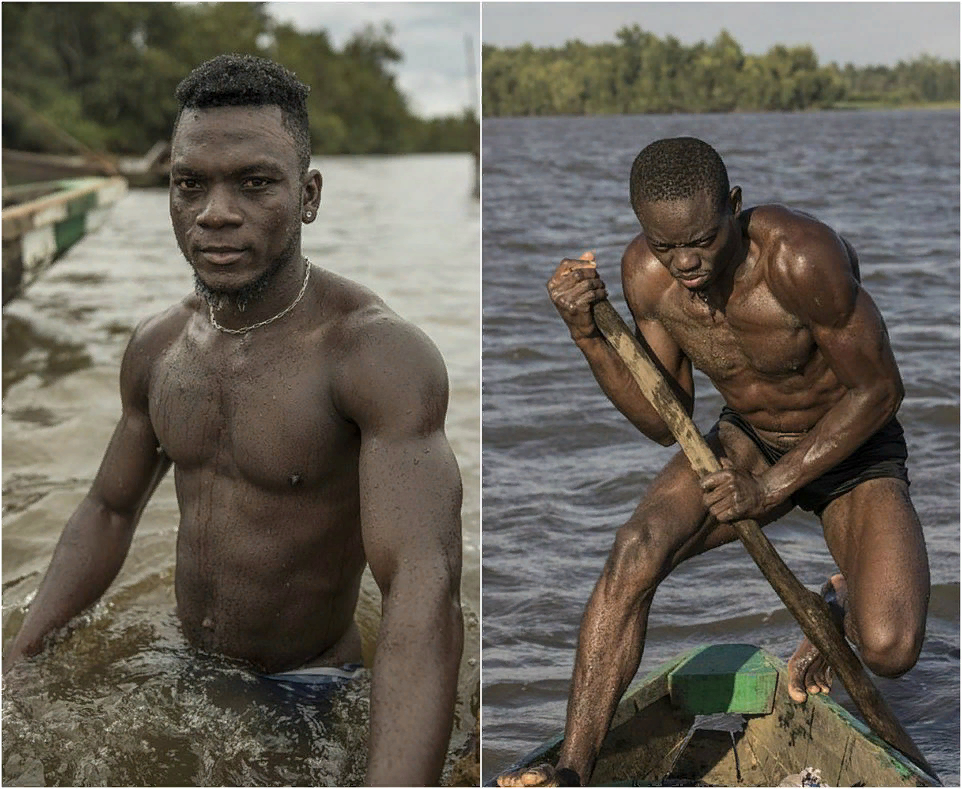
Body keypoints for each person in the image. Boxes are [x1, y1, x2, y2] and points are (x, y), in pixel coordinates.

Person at [3, 54, 464, 787]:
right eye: (190, 184)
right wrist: (20, 659)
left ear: (308, 195)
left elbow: (421, 583)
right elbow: (109, 509)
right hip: (183, 659)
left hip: (311, 687)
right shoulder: (159, 345)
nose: (216, 212)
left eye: (255, 183)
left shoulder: (373, 356)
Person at [498, 136, 929, 787]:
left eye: (701, 240)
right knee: (635, 549)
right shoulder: (646, 274)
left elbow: (879, 390)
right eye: (668, 246)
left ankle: (836, 600)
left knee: (891, 648)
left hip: (852, 446)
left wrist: (773, 486)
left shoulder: (800, 257)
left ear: (732, 205)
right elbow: (659, 418)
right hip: (745, 440)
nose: (687, 261)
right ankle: (571, 771)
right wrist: (587, 334)